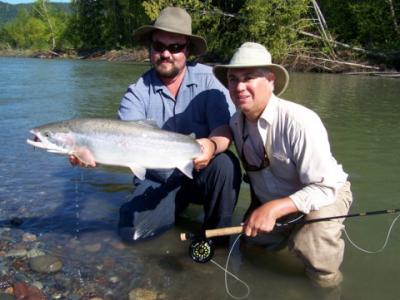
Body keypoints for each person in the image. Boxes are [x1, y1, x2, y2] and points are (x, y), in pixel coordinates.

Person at [70, 7, 241, 243]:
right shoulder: (136, 94)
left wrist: (211, 146)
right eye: (159, 46)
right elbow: (122, 143)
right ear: (150, 49)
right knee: (132, 233)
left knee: (225, 164)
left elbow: (225, 130)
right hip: (157, 181)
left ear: (187, 50)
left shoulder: (210, 81)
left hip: (201, 173)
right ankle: (172, 212)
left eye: (175, 47)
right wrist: (93, 152)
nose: (166, 54)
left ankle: (217, 240)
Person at [213, 42, 353, 288]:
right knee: (252, 250)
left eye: (249, 77)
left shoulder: (300, 122)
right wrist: (211, 143)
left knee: (312, 242)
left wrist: (275, 209)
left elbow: (324, 187)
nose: (239, 87)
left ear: (270, 80)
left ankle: (329, 287)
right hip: (273, 200)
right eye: (233, 79)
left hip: (325, 194)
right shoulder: (237, 122)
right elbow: (224, 131)